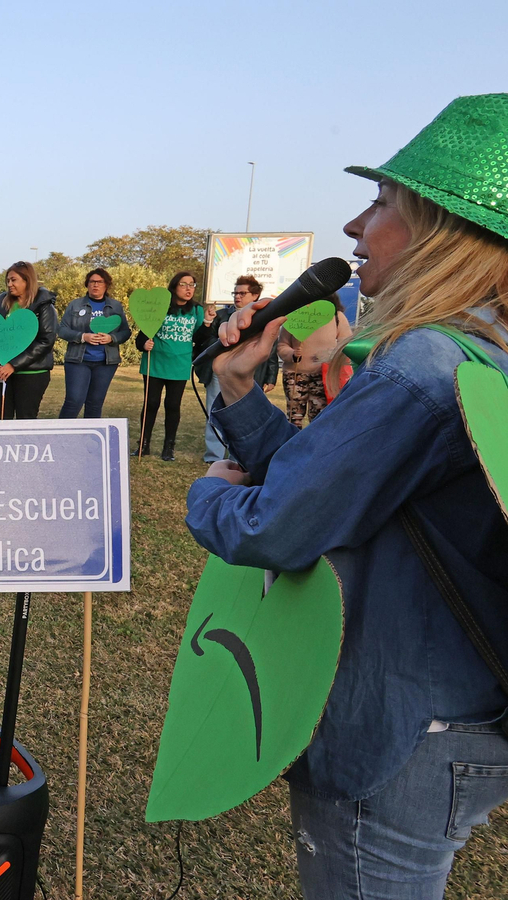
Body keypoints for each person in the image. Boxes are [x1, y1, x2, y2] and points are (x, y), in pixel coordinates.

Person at [186, 94, 508, 898]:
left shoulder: (424, 363)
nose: (355, 228)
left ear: (442, 230)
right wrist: (237, 388)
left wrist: (207, 498)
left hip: (397, 729)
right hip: (463, 714)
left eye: (382, 202)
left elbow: (278, 523)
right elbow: (335, 483)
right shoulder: (483, 357)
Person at [194, 275, 280, 462]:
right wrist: (208, 323)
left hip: (252, 375)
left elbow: (272, 351)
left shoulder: (265, 317)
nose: (237, 296)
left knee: (245, 417)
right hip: (220, 373)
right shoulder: (221, 315)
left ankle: (238, 457)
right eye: (235, 293)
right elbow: (203, 341)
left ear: (255, 295)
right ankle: (214, 457)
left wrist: (271, 377)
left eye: (242, 293)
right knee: (215, 413)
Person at [132, 272, 213, 459]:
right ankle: (143, 444)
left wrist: (207, 322)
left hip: (179, 364)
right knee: (151, 403)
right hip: (155, 363)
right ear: (174, 287)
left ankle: (169, 448)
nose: (188, 289)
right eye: (183, 284)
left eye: (192, 285)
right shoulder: (160, 307)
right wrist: (144, 345)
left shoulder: (197, 311)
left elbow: (199, 339)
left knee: (172, 405)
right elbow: (143, 335)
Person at [0, 261, 57, 420]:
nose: (9, 284)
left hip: (32, 373)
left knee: (25, 419)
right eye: (8, 280)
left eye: (14, 280)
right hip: (1, 375)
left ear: (27, 280)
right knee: (1, 418)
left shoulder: (44, 305)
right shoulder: (1, 304)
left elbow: (46, 340)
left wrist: (13, 365)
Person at [57, 268, 133, 419]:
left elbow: (126, 332)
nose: (95, 285)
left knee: (95, 403)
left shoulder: (116, 306)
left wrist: (112, 338)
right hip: (78, 361)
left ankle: (90, 440)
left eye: (99, 282)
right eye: (92, 282)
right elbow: (62, 330)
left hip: (105, 363)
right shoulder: (75, 305)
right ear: (87, 284)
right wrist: (83, 336)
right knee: (74, 401)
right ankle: (62, 438)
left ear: (106, 285)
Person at [278, 296, 355, 427]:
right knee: (294, 418)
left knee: (320, 417)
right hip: (295, 375)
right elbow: (282, 346)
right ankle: (293, 444)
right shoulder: (293, 317)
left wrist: (328, 355)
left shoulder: (337, 317)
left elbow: (346, 345)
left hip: (323, 376)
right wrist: (292, 354)